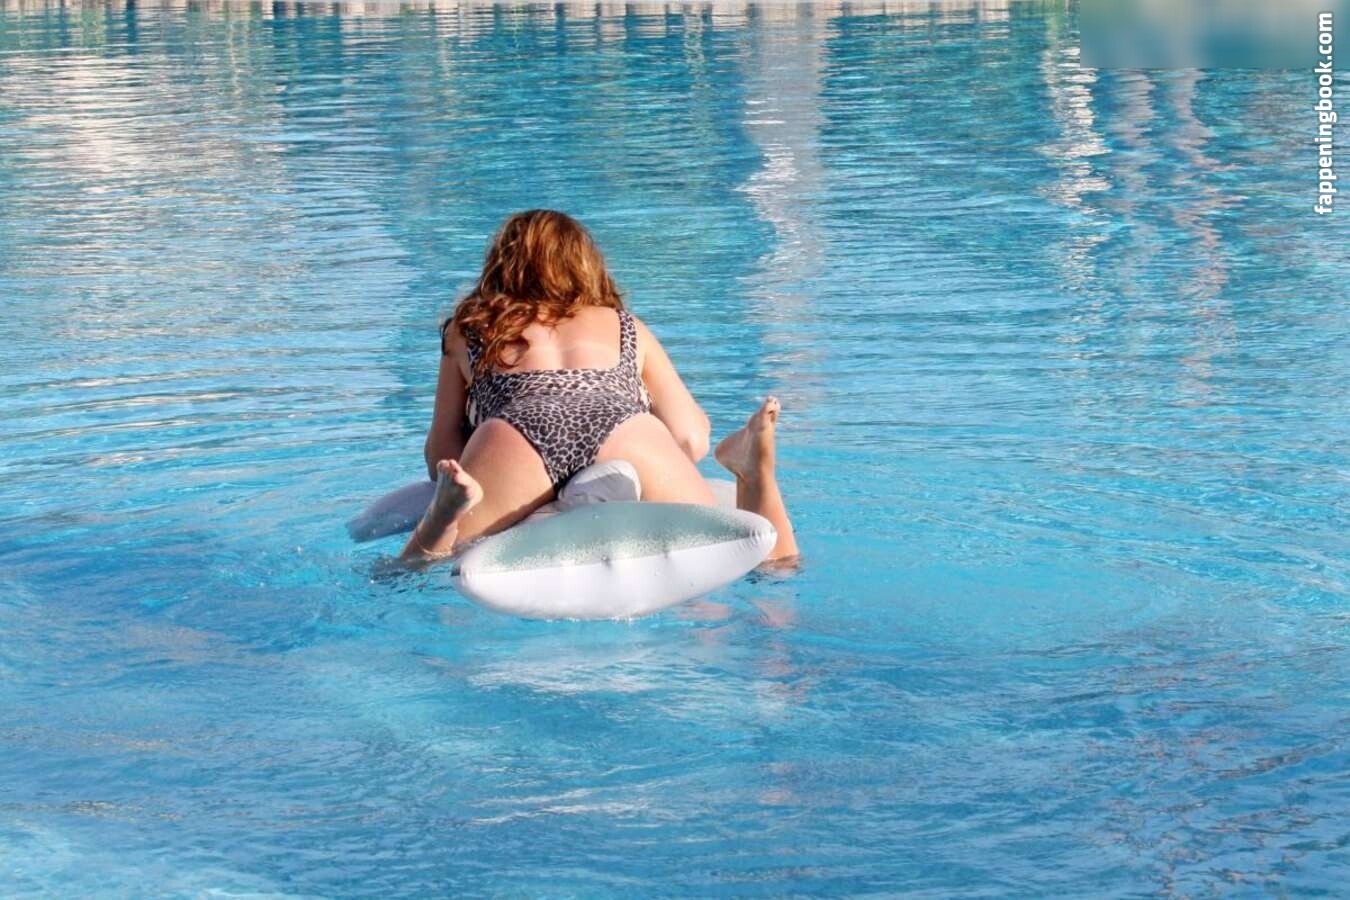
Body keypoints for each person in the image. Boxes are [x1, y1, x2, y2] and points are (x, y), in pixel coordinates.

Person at [401, 209, 798, 564]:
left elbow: (441, 451)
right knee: (732, 551)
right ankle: (754, 472)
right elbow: (690, 438)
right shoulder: (625, 326)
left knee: (422, 564)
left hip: (517, 432)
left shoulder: (471, 327)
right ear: (587, 266)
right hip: (622, 427)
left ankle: (444, 519)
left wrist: (481, 475)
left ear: (499, 267)